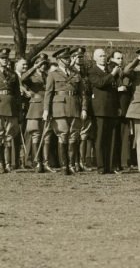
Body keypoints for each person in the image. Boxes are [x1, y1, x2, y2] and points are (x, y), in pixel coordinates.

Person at [43, 47, 88, 175]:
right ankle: (64, 166)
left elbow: (83, 94)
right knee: (63, 135)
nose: (68, 60)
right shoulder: (53, 74)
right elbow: (48, 93)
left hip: (74, 106)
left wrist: (84, 108)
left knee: (74, 136)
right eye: (65, 58)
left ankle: (72, 164)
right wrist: (46, 110)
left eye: (69, 58)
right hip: (59, 108)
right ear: (59, 60)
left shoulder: (76, 74)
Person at [87, 47, 122, 175]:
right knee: (100, 139)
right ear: (95, 58)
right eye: (100, 56)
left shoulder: (109, 70)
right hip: (100, 110)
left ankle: (110, 166)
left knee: (111, 139)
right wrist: (112, 74)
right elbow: (100, 83)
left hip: (112, 109)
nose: (103, 58)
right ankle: (101, 166)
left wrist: (118, 106)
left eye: (104, 56)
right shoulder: (92, 71)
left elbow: (115, 90)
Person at [20, 53, 54, 173]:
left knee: (47, 135)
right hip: (35, 107)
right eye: (41, 63)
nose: (43, 66)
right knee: (36, 134)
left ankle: (46, 162)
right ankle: (37, 162)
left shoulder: (48, 75)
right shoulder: (31, 75)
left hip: (47, 106)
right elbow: (22, 78)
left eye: (45, 63)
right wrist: (34, 67)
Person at [111, 50, 134, 172]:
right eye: (117, 58)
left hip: (125, 107)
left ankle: (124, 162)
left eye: (121, 58)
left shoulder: (125, 73)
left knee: (125, 136)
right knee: (115, 137)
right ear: (112, 59)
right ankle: (115, 163)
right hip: (114, 107)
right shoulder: (111, 72)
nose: (120, 61)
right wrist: (117, 89)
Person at [0, 48, 22, 173]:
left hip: (10, 106)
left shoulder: (12, 74)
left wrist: (19, 110)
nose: (4, 60)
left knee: (9, 136)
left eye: (6, 58)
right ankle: (0, 163)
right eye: (2, 58)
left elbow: (17, 94)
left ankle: (8, 164)